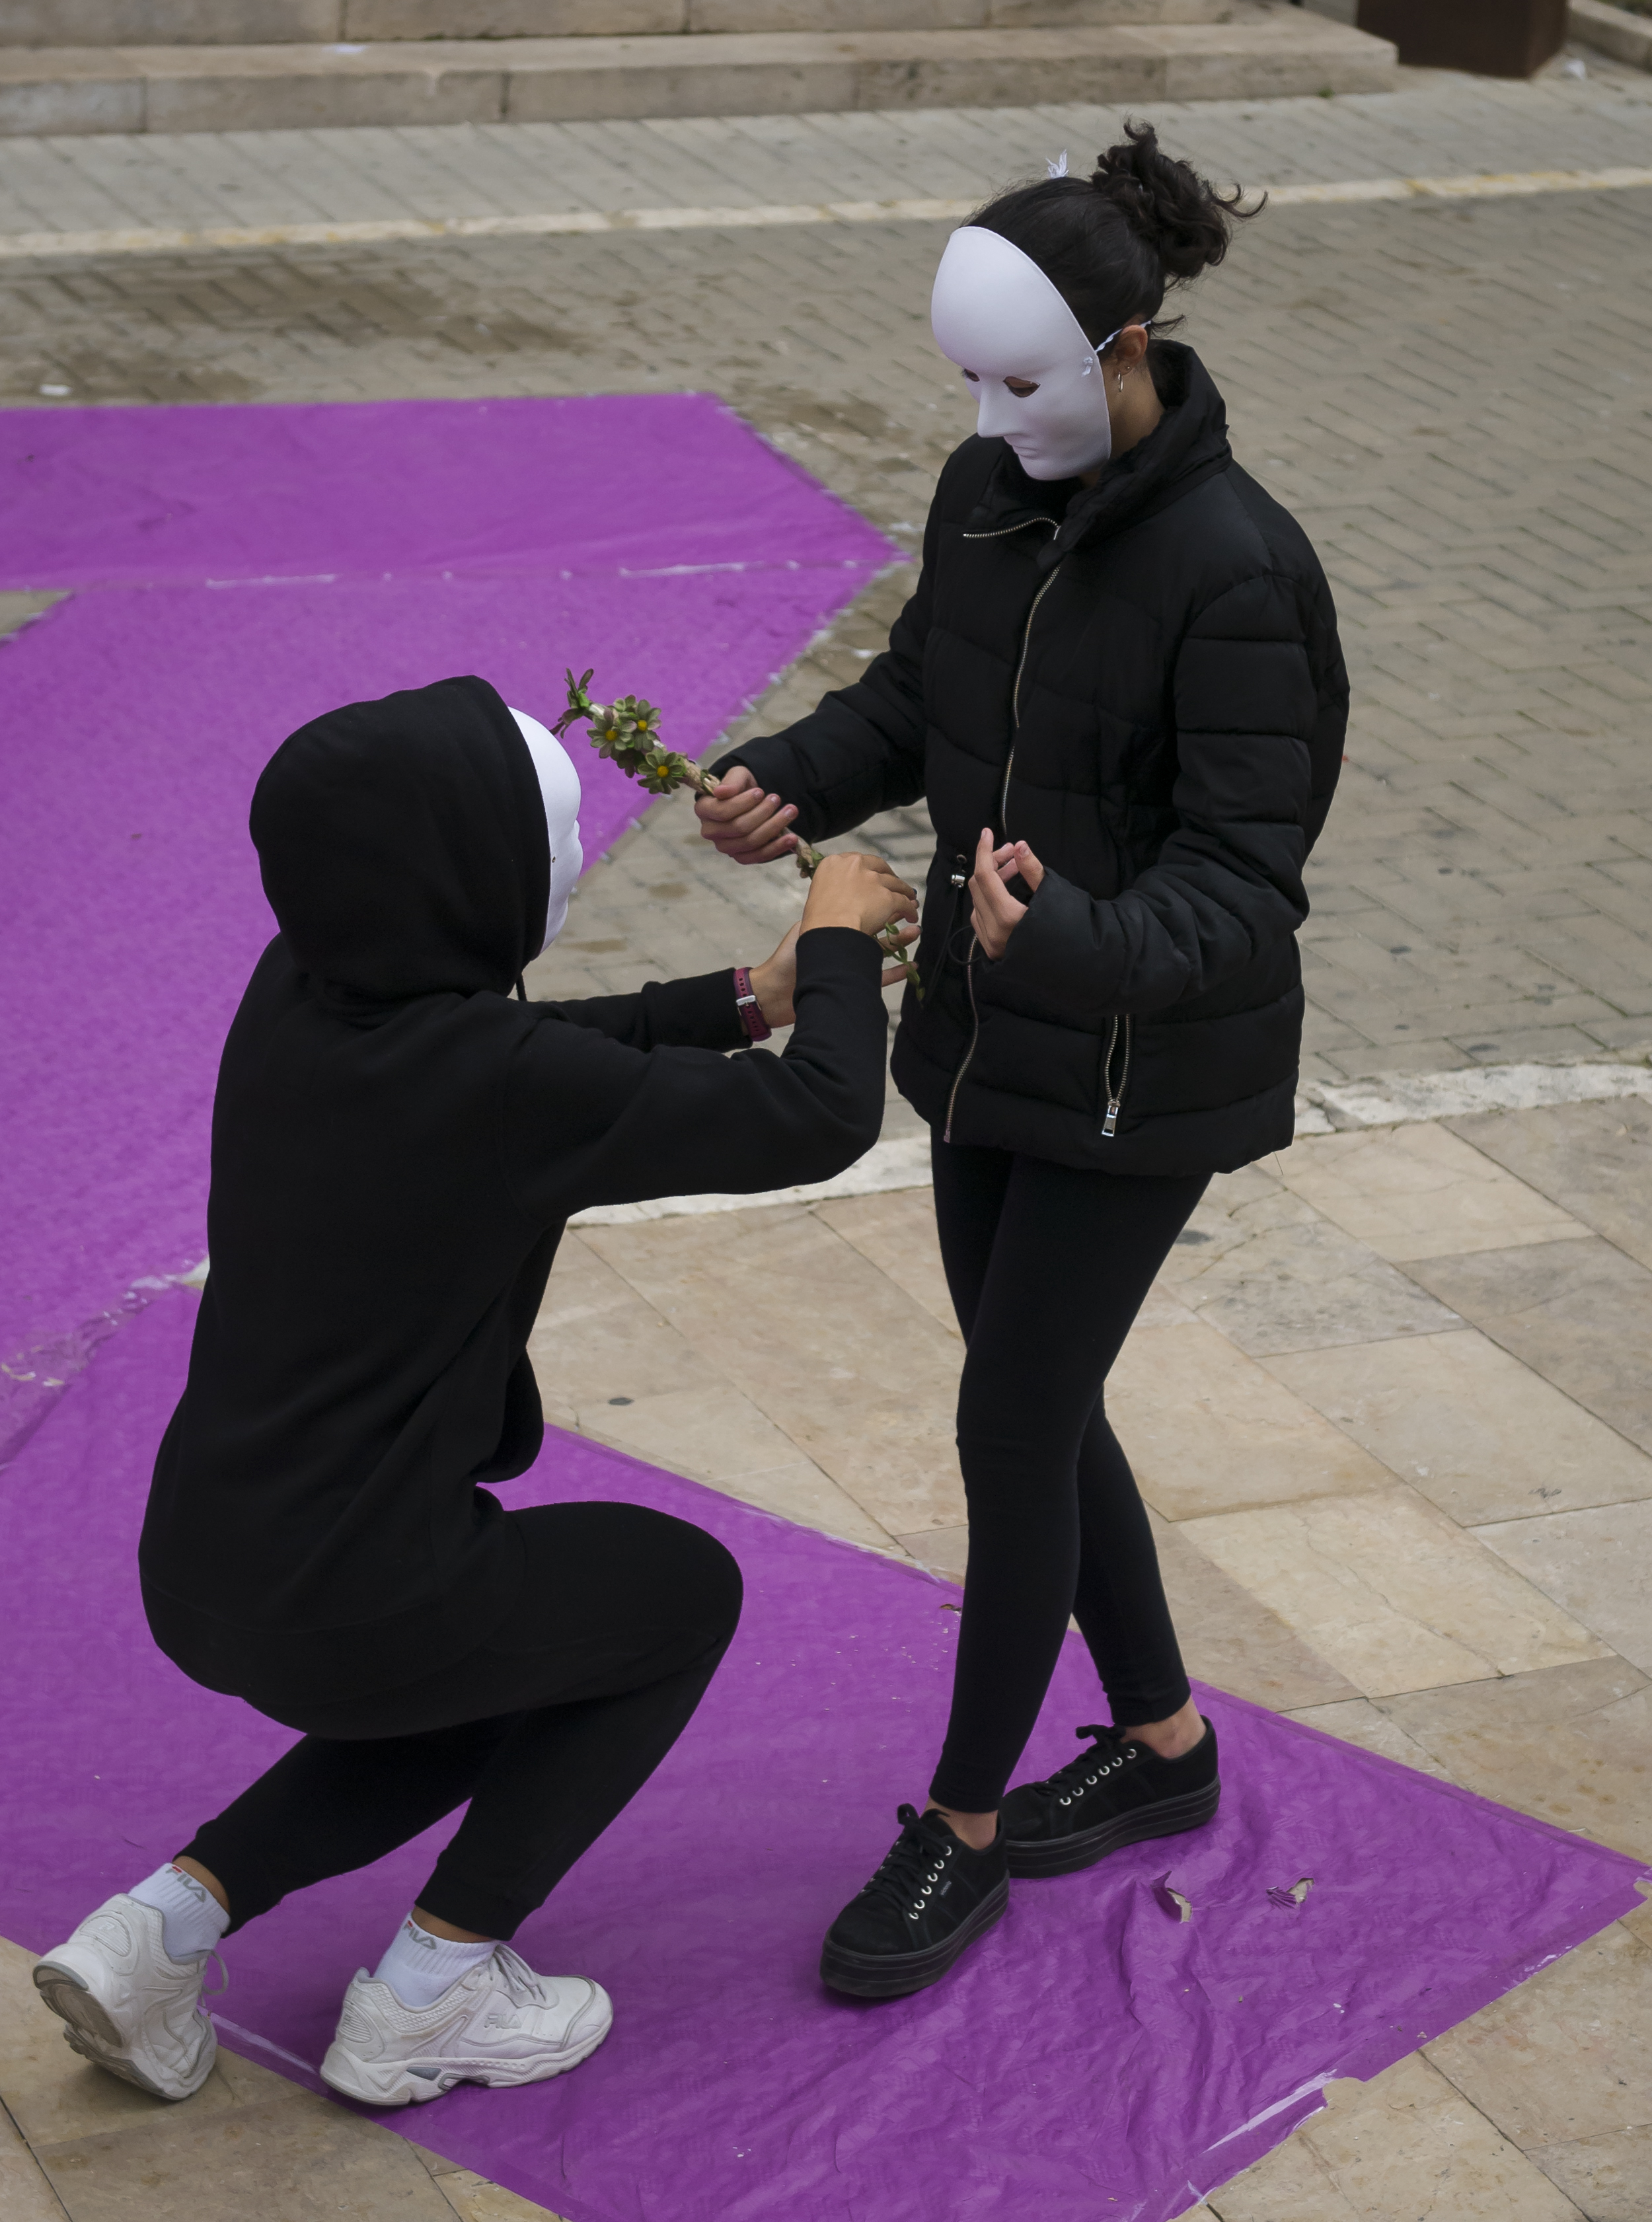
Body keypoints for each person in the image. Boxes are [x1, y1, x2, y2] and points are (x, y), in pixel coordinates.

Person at [33, 674, 916, 2103]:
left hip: (202, 1558)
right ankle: (431, 1990)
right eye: (545, 836)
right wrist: (830, 949)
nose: (565, 857)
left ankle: (159, 1930)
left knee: (491, 1660)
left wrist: (733, 1000)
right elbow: (817, 1116)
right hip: (357, 1586)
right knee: (671, 1596)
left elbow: (532, 1059)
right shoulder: (494, 1081)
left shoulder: (297, 988)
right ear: (462, 877)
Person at [695, 124, 1348, 1999]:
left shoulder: (1238, 570)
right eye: (967, 384)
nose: (988, 420)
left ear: (1125, 347)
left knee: (1009, 1421)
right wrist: (790, 777)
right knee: (1040, 1403)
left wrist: (1058, 936)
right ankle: (1162, 1746)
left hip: (1137, 1076)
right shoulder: (987, 489)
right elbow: (924, 692)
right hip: (989, 1041)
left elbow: (1245, 885)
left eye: (1019, 383)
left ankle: (964, 1825)